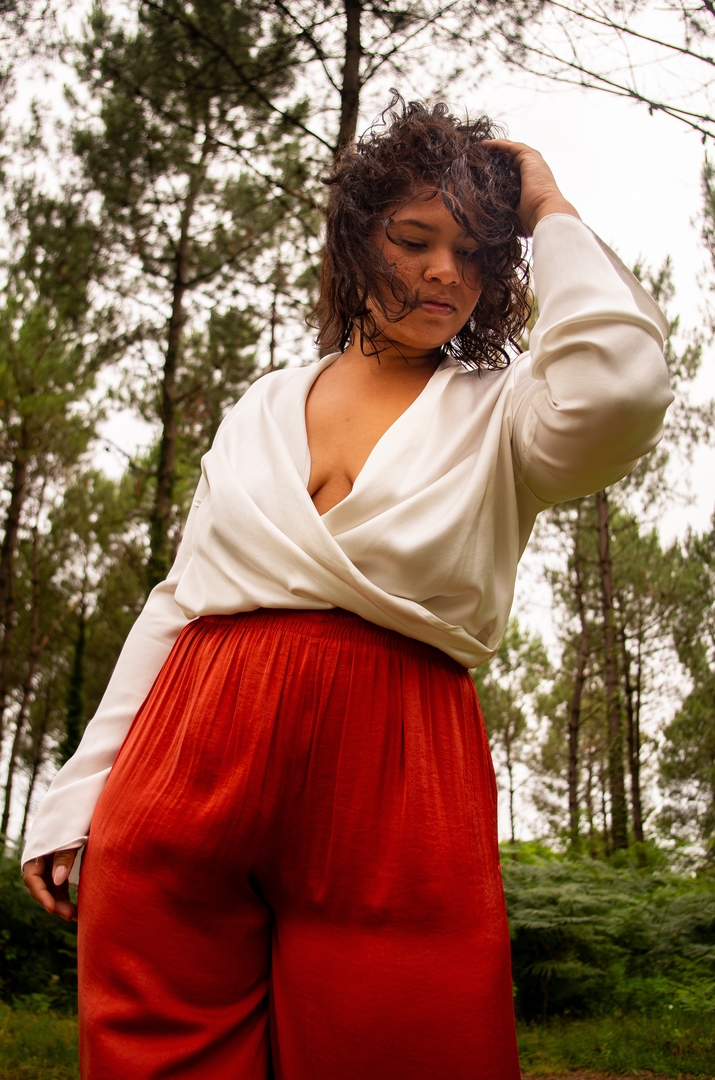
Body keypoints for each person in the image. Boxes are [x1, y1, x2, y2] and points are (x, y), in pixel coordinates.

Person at [21, 98, 672, 1079]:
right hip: (183, 768)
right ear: (354, 243)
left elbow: (620, 386)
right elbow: (179, 599)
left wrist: (547, 208)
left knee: (407, 1049)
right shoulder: (260, 405)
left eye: (475, 252)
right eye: (414, 240)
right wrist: (79, 793)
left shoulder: (507, 416)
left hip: (396, 782)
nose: (445, 271)